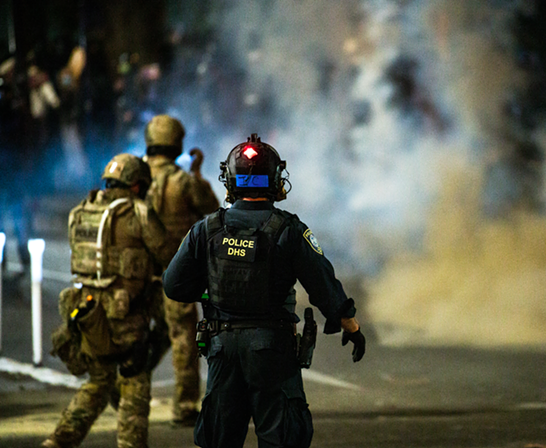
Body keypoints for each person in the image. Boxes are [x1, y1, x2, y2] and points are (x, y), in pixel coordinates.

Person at [163, 133, 366, 448]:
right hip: (272, 348)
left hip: (221, 347)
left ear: (231, 180)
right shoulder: (289, 230)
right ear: (274, 180)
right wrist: (349, 324)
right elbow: (322, 283)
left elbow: (173, 285)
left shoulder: (207, 229)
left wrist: (212, 290)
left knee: (219, 439)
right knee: (281, 436)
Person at [42, 154, 176, 448]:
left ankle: (58, 441)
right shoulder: (138, 212)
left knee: (98, 382)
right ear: (137, 186)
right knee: (134, 382)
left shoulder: (81, 211)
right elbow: (167, 255)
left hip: (88, 314)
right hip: (126, 315)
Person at [143, 114, 220, 426]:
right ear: (177, 144)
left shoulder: (133, 176)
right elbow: (214, 210)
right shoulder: (184, 182)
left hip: (137, 274)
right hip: (175, 275)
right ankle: (185, 406)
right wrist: (198, 174)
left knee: (141, 335)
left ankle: (126, 387)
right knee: (183, 337)